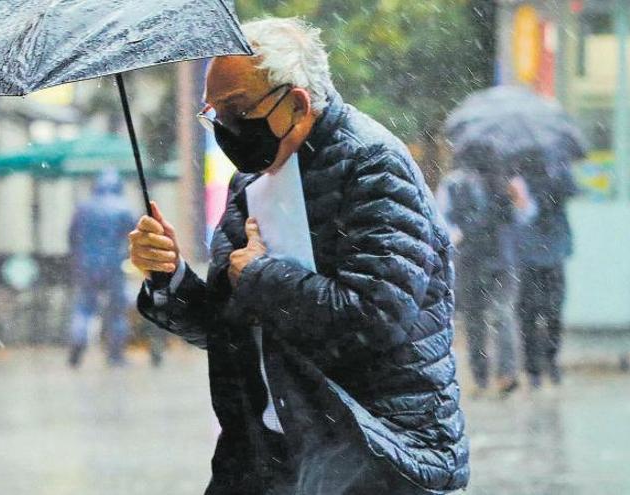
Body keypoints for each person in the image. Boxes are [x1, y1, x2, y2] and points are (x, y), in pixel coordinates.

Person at [128, 18, 468, 494]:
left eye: (238, 109)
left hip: (374, 448)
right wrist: (168, 276)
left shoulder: (373, 166)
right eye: (215, 114)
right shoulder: (249, 182)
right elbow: (230, 327)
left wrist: (263, 277)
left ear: (297, 101)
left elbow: (377, 316)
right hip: (270, 456)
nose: (227, 128)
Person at [437, 154, 537, 397]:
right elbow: (443, 218)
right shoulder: (455, 183)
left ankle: (505, 374)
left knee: (498, 315)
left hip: (499, 259)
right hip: (475, 259)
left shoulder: (508, 182)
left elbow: (526, 215)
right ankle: (485, 375)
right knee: (477, 319)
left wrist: (517, 199)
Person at [517, 150, 578, 387]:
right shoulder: (521, 172)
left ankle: (547, 364)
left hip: (551, 252)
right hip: (533, 254)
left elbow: (571, 191)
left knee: (550, 312)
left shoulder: (559, 170)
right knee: (531, 313)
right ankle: (536, 367)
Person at [67, 170, 137, 368]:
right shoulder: (123, 208)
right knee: (116, 310)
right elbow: (134, 236)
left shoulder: (83, 208)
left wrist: (78, 257)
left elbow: (72, 237)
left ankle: (78, 339)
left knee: (84, 307)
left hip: (86, 264)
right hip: (113, 265)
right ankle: (115, 355)